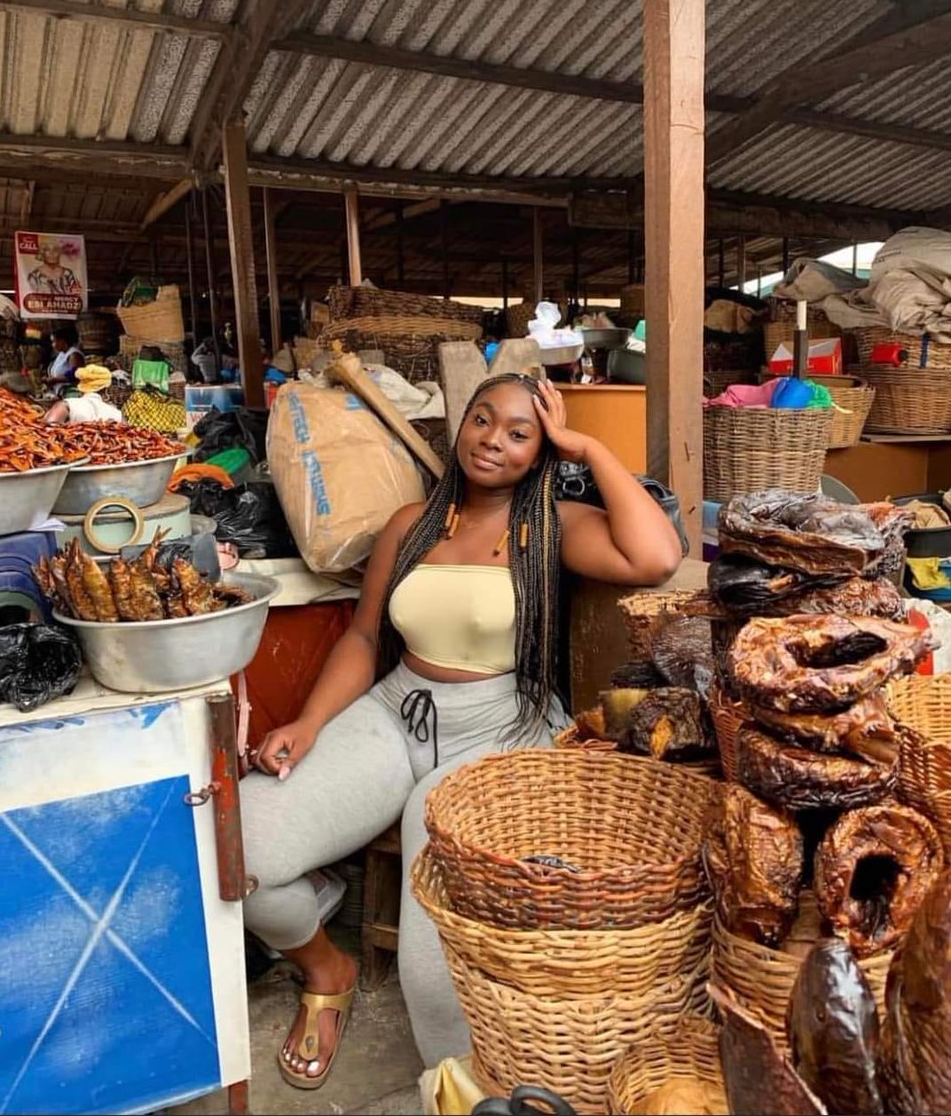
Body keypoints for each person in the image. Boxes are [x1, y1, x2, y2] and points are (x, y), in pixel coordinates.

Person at [239, 374, 683, 1090]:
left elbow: (656, 557)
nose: (493, 442)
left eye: (518, 433)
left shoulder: (553, 524)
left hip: (504, 725)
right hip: (397, 709)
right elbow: (361, 637)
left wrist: (585, 447)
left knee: (430, 942)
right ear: (460, 425)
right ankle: (328, 968)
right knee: (244, 851)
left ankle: (456, 1089)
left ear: (539, 453)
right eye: (483, 420)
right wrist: (309, 722)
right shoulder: (412, 523)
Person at [43, 365, 123, 425]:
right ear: (106, 389)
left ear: (80, 387)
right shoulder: (118, 415)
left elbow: (49, 427)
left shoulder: (67, 405)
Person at [45, 327, 85, 396]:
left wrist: (54, 380)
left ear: (62, 341)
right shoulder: (61, 354)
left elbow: (75, 375)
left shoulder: (74, 355)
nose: (53, 345)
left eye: (54, 341)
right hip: (61, 393)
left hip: (72, 393)